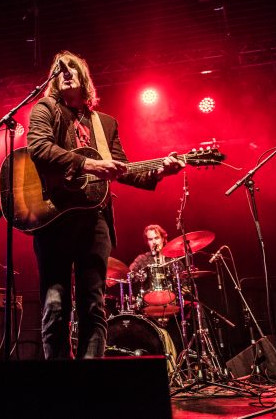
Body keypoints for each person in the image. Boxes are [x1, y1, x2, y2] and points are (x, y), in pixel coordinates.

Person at [27, 50, 185, 359]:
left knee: (93, 304)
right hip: (54, 219)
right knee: (55, 304)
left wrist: (160, 171)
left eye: (71, 68)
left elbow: (123, 169)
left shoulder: (105, 123)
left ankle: (90, 384)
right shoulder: (45, 108)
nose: (66, 73)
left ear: (83, 77)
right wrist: (88, 164)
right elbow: (39, 149)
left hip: (94, 221)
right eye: (59, 70)